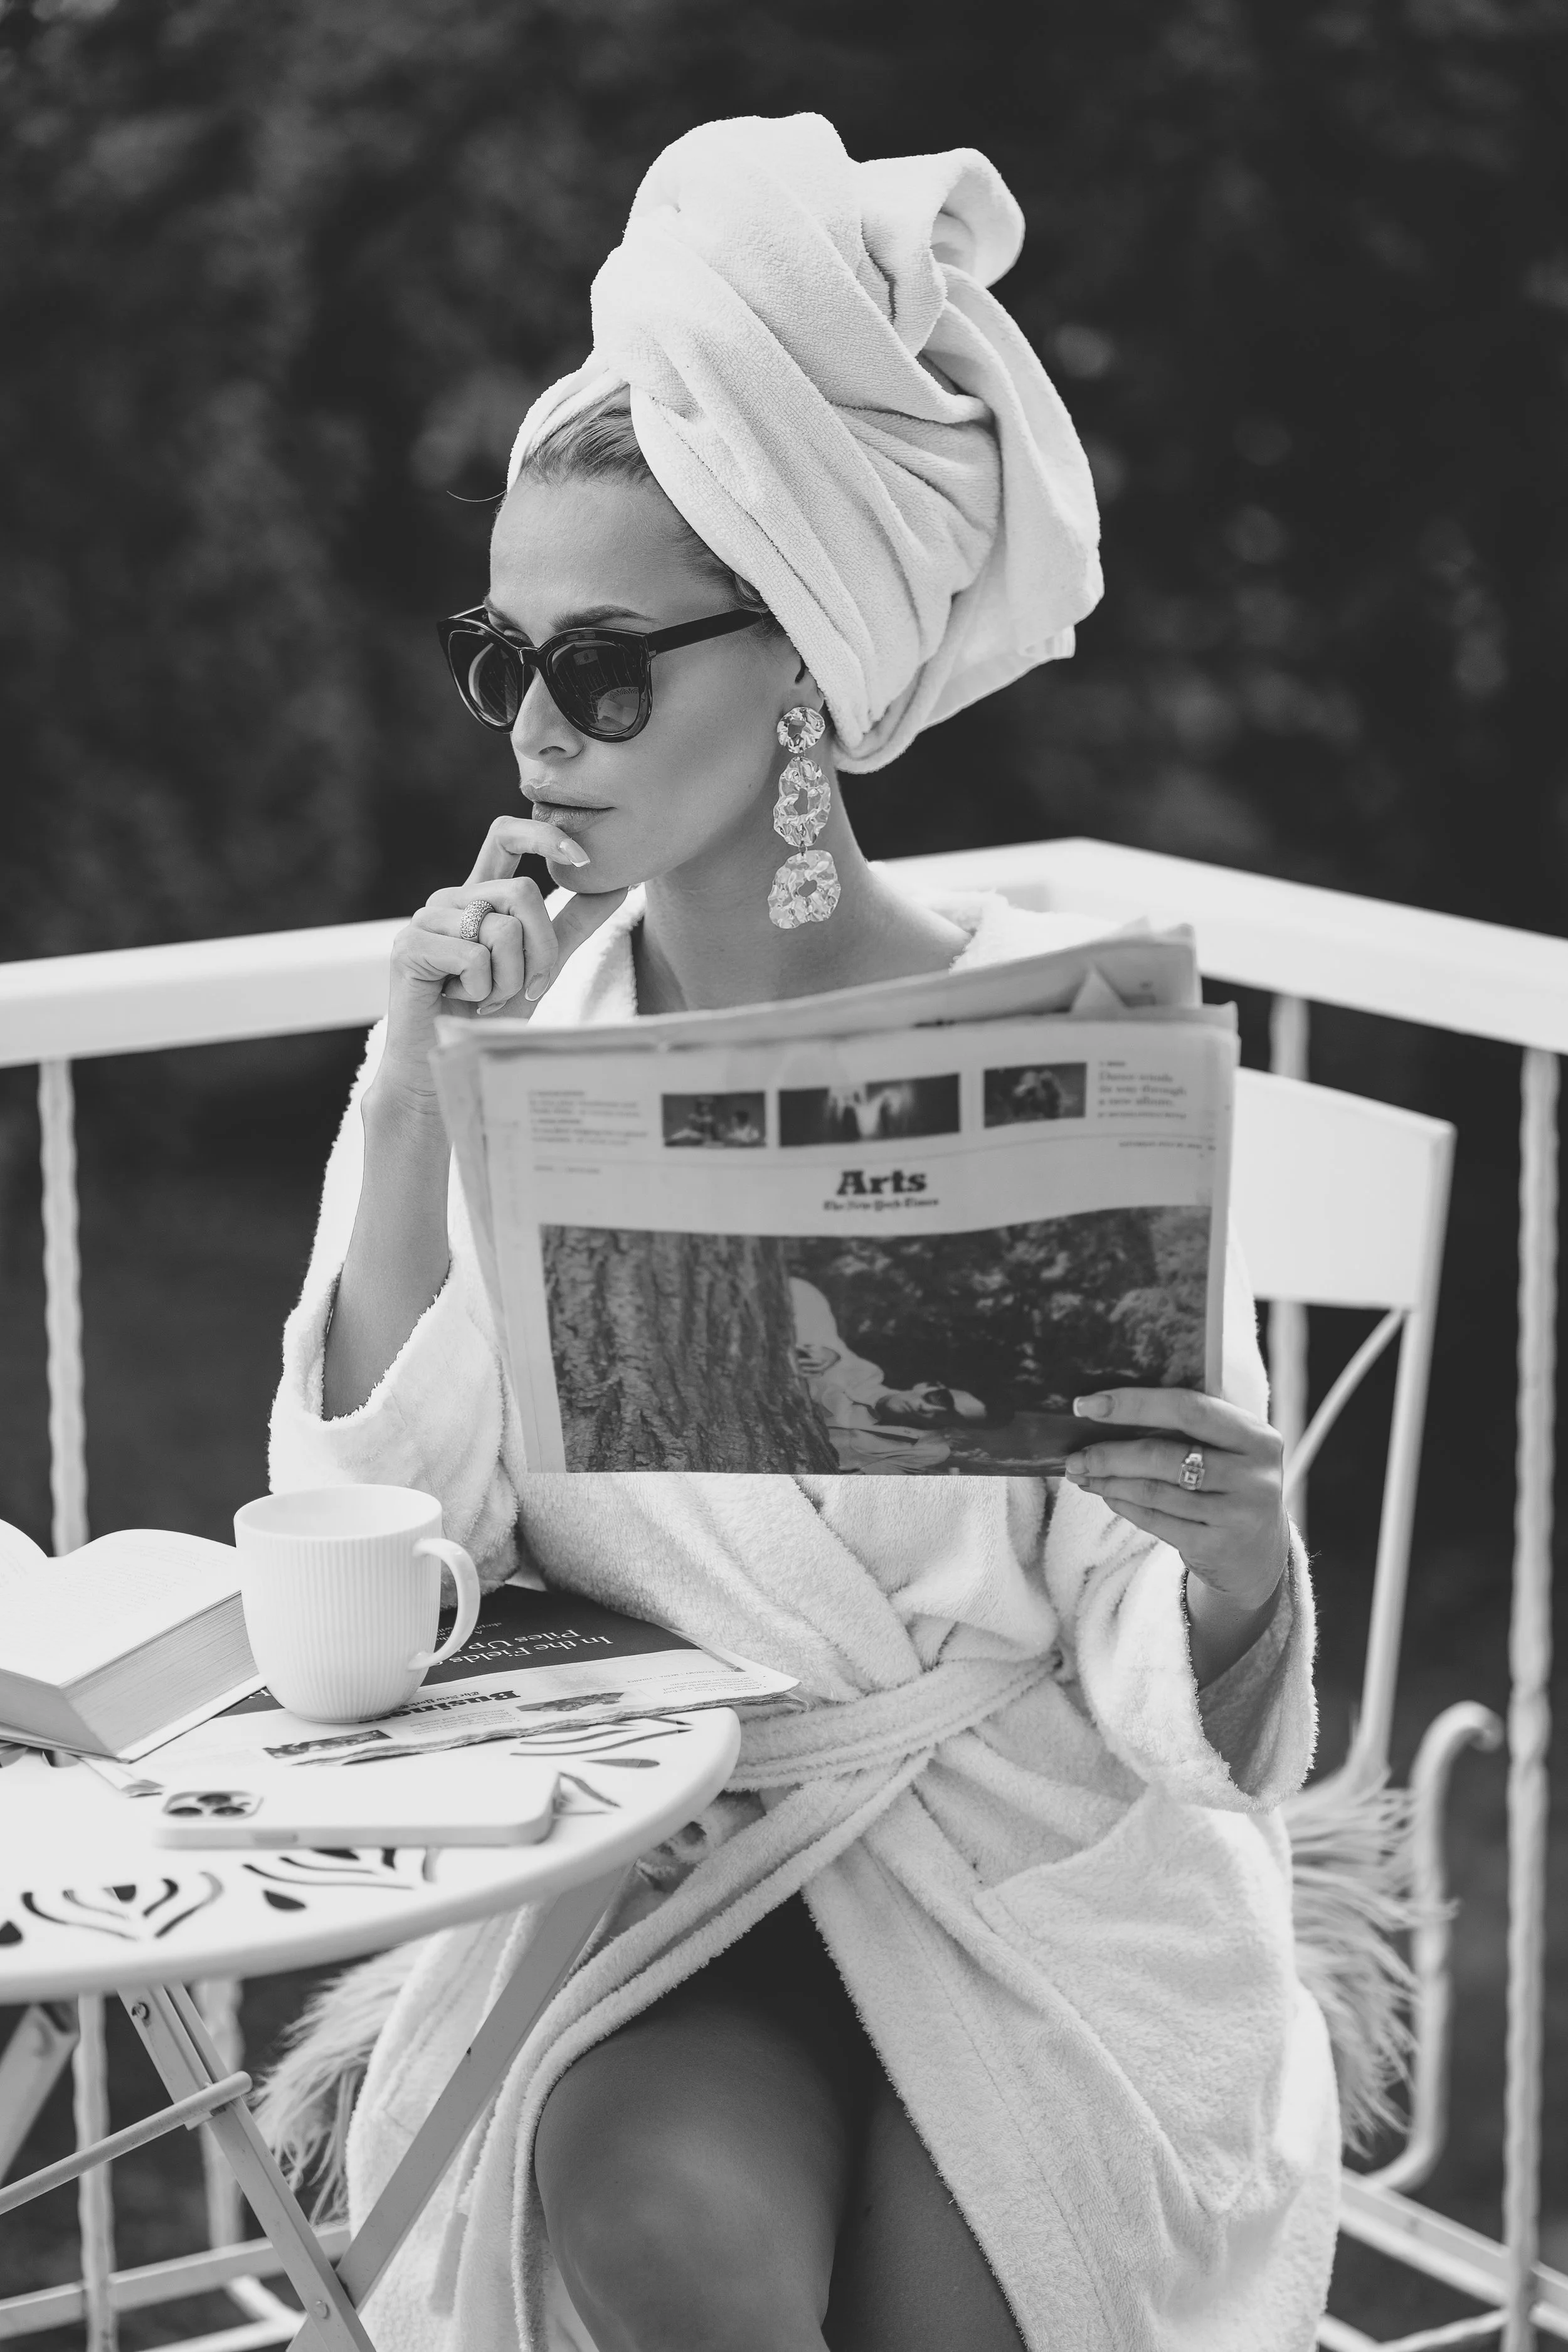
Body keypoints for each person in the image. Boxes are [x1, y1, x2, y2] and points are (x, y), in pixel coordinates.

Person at [269, 114, 1338, 2352]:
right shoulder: (522, 1048)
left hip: (1027, 1864)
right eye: (501, 657)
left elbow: (1160, 1642)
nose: (536, 731)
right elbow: (387, 1556)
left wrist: (1235, 1568)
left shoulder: (1044, 1045)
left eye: (603, 666)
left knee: (988, 2287)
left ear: (798, 671)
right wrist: (412, 1103)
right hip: (661, 1862)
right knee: (670, 2230)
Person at [790, 1274, 983, 1472]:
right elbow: (801, 1292)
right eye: (938, 1399)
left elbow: (859, 1483)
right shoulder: (863, 1373)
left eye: (944, 1416)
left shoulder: (924, 1449)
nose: (925, 1408)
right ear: (925, 1385)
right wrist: (829, 1351)